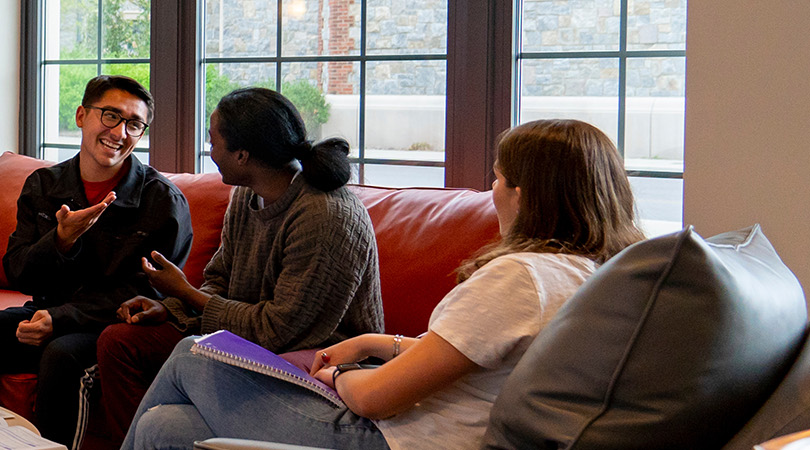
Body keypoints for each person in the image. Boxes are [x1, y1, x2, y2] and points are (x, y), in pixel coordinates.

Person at [120, 119, 645, 449]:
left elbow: (373, 400)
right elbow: (477, 354)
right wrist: (377, 342)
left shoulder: (519, 277)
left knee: (193, 352)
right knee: (165, 427)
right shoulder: (589, 273)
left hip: (388, 438)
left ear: (526, 195)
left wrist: (341, 371)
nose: (491, 192)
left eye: (497, 178)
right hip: (410, 424)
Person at [79, 87, 384, 450]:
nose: (210, 152)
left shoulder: (325, 215)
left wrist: (185, 294)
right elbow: (220, 278)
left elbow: (279, 331)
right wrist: (172, 308)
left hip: (315, 368)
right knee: (122, 346)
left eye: (213, 141)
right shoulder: (246, 193)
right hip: (246, 345)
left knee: (190, 354)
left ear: (242, 155)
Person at [0, 75, 191, 445]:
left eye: (134, 124)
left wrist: (61, 319)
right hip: (47, 312)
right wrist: (61, 241)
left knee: (61, 356)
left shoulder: (162, 201)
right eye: (111, 116)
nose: (120, 132)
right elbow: (18, 270)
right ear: (82, 115)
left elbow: (147, 293)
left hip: (107, 330)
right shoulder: (44, 185)